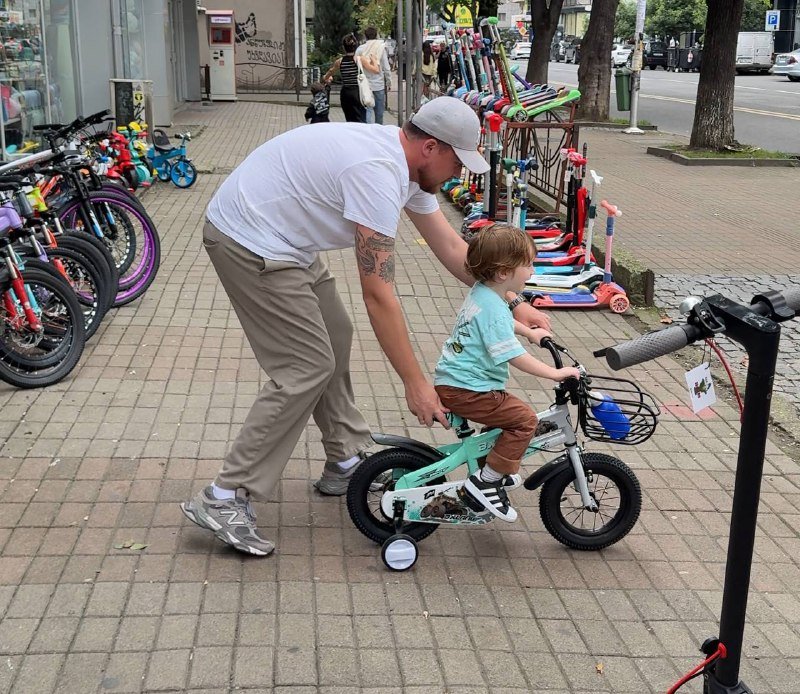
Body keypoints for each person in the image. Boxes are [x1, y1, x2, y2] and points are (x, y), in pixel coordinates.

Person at [180, 97, 552, 556]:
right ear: (432, 147)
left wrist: (514, 304)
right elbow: (379, 295)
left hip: (286, 243)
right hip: (248, 239)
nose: (461, 173)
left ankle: (345, 458)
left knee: (336, 336)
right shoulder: (377, 173)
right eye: (458, 161)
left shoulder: (410, 168)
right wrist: (417, 384)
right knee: (305, 366)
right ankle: (226, 495)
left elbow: (455, 250)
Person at [434, 225, 580, 522]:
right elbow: (513, 356)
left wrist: (529, 332)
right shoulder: (493, 307)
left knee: (506, 416)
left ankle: (494, 467)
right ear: (503, 273)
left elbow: (503, 325)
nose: (531, 269)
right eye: (527, 264)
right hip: (468, 389)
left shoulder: (485, 293)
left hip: (458, 383)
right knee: (523, 420)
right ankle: (485, 481)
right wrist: (555, 374)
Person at [323, 34, 379, 123]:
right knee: (361, 120)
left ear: (344, 47)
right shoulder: (360, 59)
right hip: (358, 93)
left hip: (346, 94)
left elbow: (330, 71)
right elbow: (376, 70)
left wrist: (326, 78)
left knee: (350, 120)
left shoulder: (340, 61)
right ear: (356, 46)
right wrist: (374, 60)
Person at [355, 27, 391, 124]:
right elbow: (386, 68)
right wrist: (388, 82)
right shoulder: (381, 48)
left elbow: (356, 64)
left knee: (368, 110)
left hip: (365, 85)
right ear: (376, 35)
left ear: (365, 36)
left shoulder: (360, 49)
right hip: (379, 85)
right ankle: (378, 132)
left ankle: (368, 132)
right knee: (379, 113)